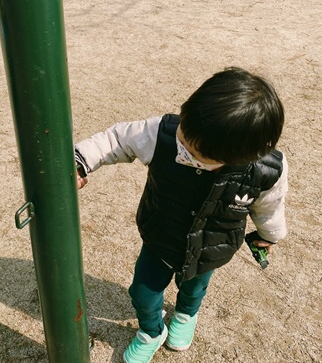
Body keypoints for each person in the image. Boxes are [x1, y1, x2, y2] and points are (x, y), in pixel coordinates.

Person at [75, 67, 288, 363]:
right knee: (142, 292)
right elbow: (116, 139)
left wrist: (269, 235)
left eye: (194, 149)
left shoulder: (265, 170)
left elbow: (270, 205)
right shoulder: (163, 133)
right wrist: (80, 160)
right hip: (161, 236)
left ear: (239, 157)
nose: (182, 144)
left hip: (212, 245)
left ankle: (186, 316)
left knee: (194, 287)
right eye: (184, 132)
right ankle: (152, 330)